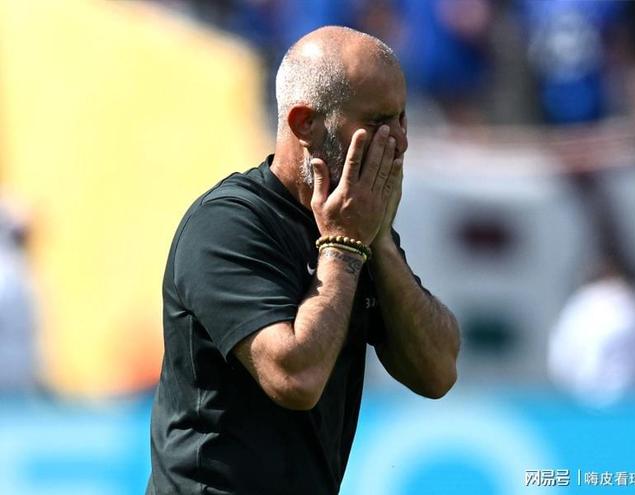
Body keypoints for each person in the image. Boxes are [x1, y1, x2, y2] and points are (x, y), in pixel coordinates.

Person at [147, 26, 460, 495]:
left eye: (402, 118)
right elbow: (295, 377)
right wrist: (345, 246)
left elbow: (437, 372)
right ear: (304, 124)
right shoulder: (227, 225)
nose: (399, 141)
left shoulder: (354, 221)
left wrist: (381, 244)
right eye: (379, 122)